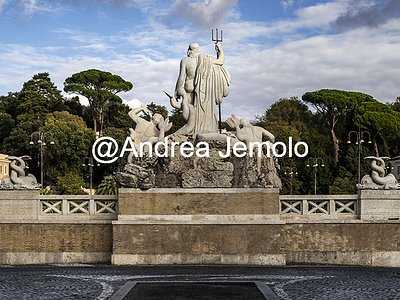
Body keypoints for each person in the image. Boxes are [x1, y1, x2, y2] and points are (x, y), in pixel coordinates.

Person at [174, 42, 231, 136]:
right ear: (198, 50)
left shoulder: (185, 61)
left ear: (189, 51)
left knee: (188, 114)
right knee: (190, 115)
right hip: (204, 94)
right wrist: (220, 49)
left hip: (191, 93)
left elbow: (181, 77)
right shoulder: (207, 59)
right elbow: (220, 61)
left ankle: (197, 131)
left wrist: (176, 89)